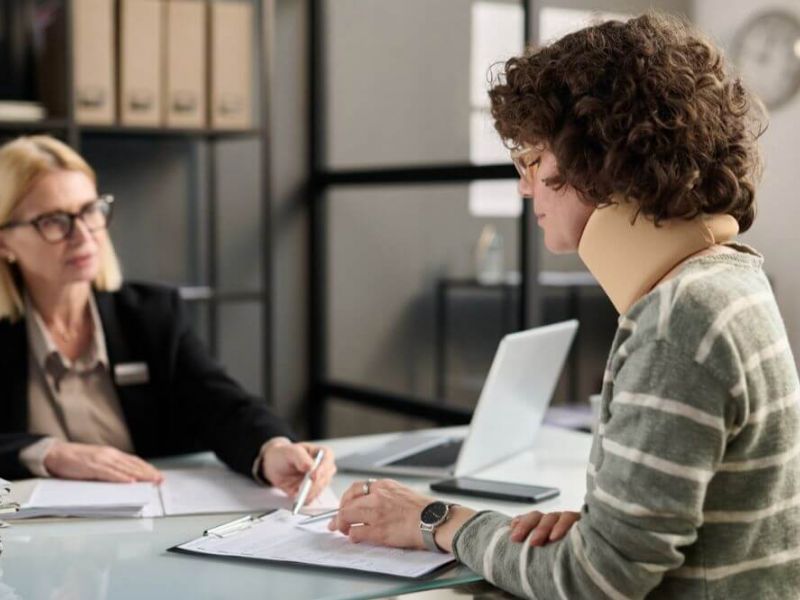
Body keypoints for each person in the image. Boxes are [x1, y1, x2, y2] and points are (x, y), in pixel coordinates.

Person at [328, 12, 800, 598]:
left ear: (600, 159)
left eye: (533, 161)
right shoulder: (732, 279)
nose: (525, 187)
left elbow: (594, 583)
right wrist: (607, 533)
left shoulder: (680, 319)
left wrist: (438, 522)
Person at [0, 135, 335, 505]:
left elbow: (220, 403)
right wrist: (51, 453)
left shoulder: (151, 315)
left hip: (148, 533)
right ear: (5, 242)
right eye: (53, 221)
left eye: (90, 211)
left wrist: (272, 449)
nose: (83, 236)